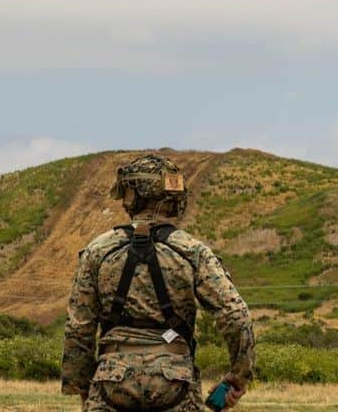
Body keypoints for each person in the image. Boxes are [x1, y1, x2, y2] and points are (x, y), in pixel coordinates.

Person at [62, 154, 255, 412]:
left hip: (111, 382)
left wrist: (84, 390)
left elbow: (79, 328)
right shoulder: (193, 251)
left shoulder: (97, 252)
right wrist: (238, 376)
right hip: (175, 382)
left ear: (130, 196)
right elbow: (236, 315)